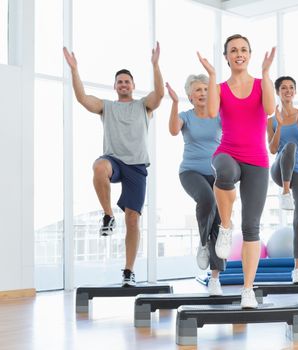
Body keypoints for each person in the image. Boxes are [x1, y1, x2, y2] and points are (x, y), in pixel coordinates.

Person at [63, 42, 164, 286]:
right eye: (119, 81)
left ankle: (128, 271)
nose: (123, 84)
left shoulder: (144, 106)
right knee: (99, 167)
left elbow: (159, 95)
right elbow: (82, 98)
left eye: (127, 81)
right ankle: (108, 215)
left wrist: (155, 65)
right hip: (114, 161)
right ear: (115, 86)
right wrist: (74, 70)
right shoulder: (106, 107)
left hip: (137, 167)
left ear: (133, 85)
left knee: (132, 219)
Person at [198, 34, 275, 308]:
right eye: (233, 50)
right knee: (224, 172)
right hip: (227, 153)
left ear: (249, 54)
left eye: (243, 49)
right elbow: (209, 113)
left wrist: (266, 73)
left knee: (252, 227)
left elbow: (269, 108)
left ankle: (247, 290)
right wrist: (211, 75)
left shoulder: (259, 84)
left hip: (257, 160)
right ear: (227, 56)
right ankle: (225, 226)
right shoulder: (219, 87)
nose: (238, 54)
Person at [166, 74, 225, 295]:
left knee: (219, 223)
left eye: (206, 90)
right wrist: (173, 103)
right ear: (190, 96)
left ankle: (215, 279)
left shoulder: (218, 116)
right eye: (198, 90)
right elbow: (173, 130)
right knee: (207, 200)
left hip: (217, 174)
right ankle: (202, 244)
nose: (202, 93)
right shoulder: (186, 117)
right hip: (190, 171)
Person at [267, 76, 298, 284]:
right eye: (284, 88)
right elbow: (272, 149)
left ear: (295, 91)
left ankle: (297, 270)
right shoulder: (271, 119)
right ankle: (285, 192)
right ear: (278, 92)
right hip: (279, 171)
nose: (288, 91)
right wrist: (278, 126)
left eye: (291, 88)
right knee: (290, 148)